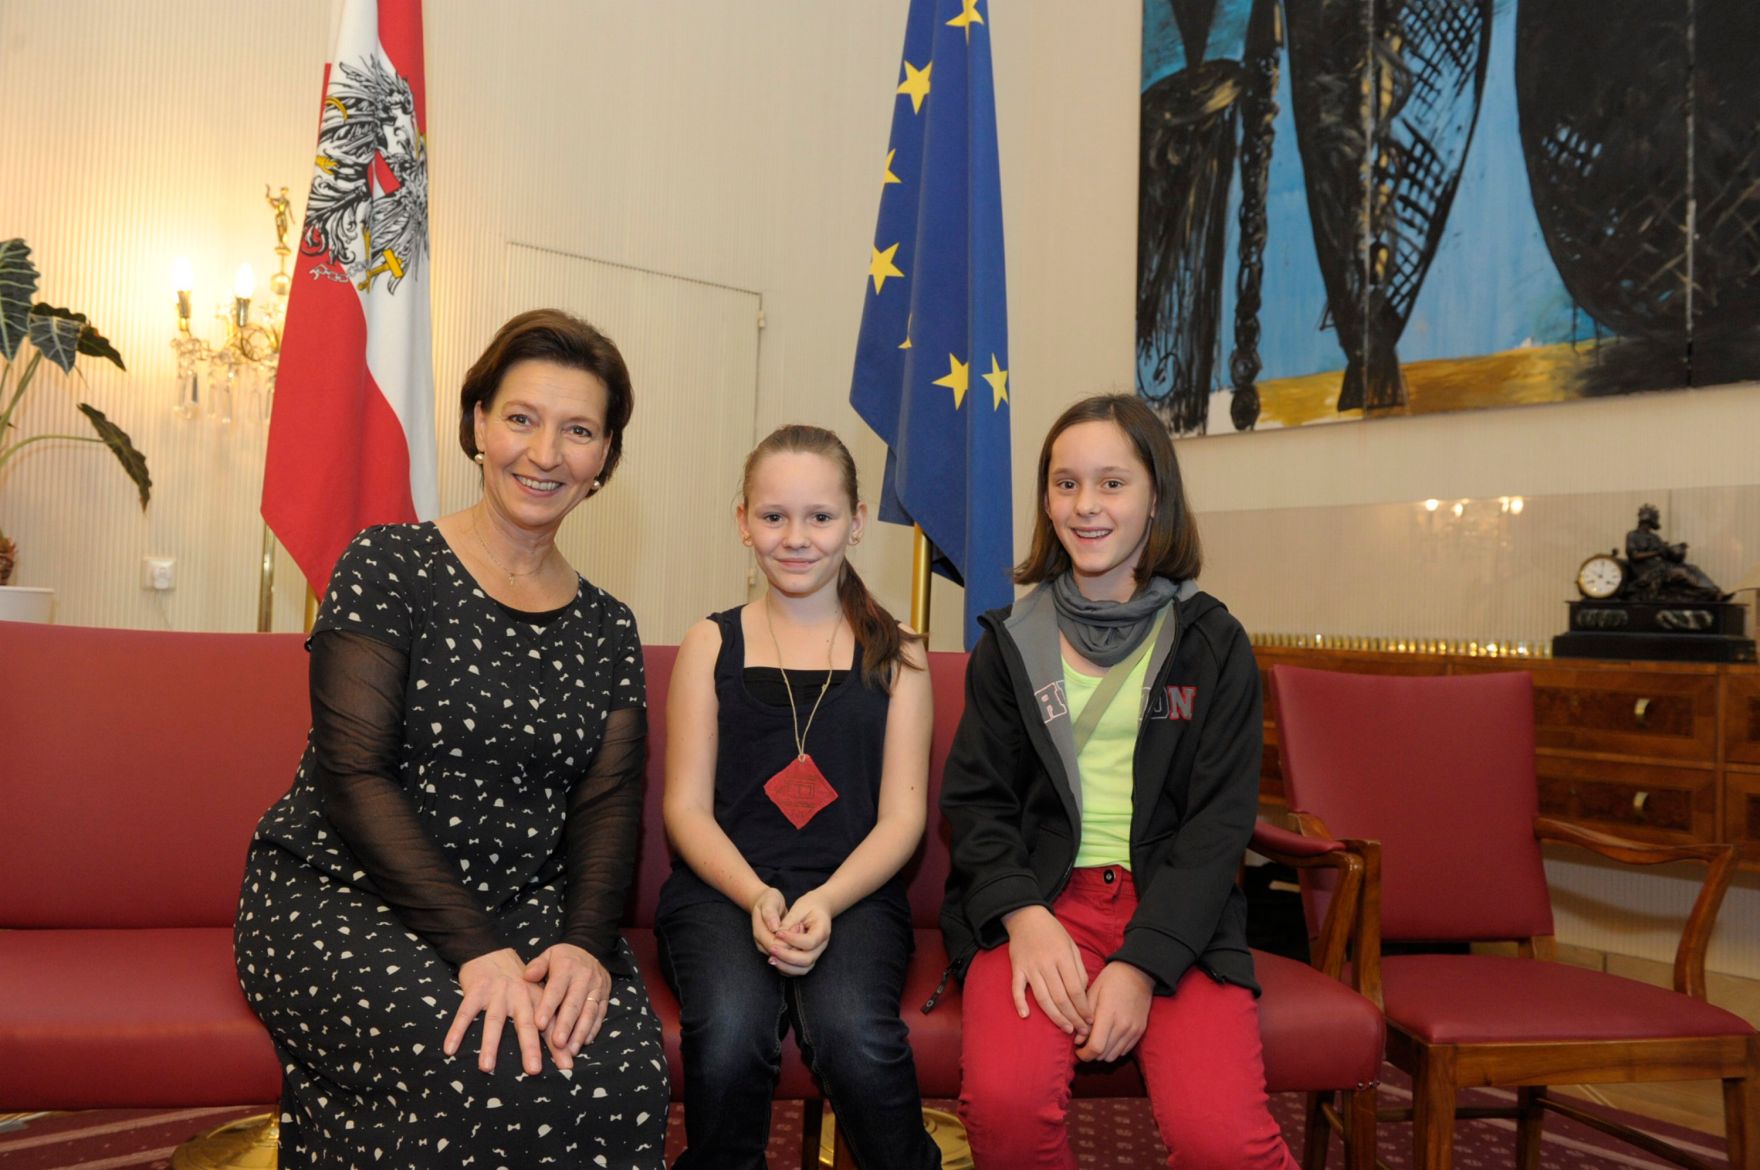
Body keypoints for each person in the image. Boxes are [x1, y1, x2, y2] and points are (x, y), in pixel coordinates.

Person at [235, 309, 669, 1168]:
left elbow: (609, 805)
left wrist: (582, 945)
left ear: (605, 458)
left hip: (529, 905)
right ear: (478, 424)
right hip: (348, 894)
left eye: (578, 430)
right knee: (485, 1058)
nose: (545, 454)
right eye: (521, 418)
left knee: (619, 1066)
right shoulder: (388, 564)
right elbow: (352, 773)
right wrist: (479, 954)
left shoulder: (609, 627)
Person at [939, 393, 1298, 1169]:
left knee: (1223, 1142)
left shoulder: (1212, 643)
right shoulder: (1009, 642)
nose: (1086, 506)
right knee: (1002, 1107)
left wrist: (1142, 965)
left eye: (1112, 483)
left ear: (1155, 497)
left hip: (1175, 910)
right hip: (1040, 905)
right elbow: (976, 805)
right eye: (1065, 484)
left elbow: (1217, 826)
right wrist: (1025, 919)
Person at [656, 424, 941, 1170]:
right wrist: (754, 896)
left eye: (819, 516)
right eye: (774, 515)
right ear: (742, 522)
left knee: (854, 1034)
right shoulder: (710, 644)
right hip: (725, 890)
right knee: (728, 1033)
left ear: (856, 520)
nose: (796, 537)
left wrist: (828, 901)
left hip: (854, 893)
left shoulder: (901, 653)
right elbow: (684, 808)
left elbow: (903, 816)